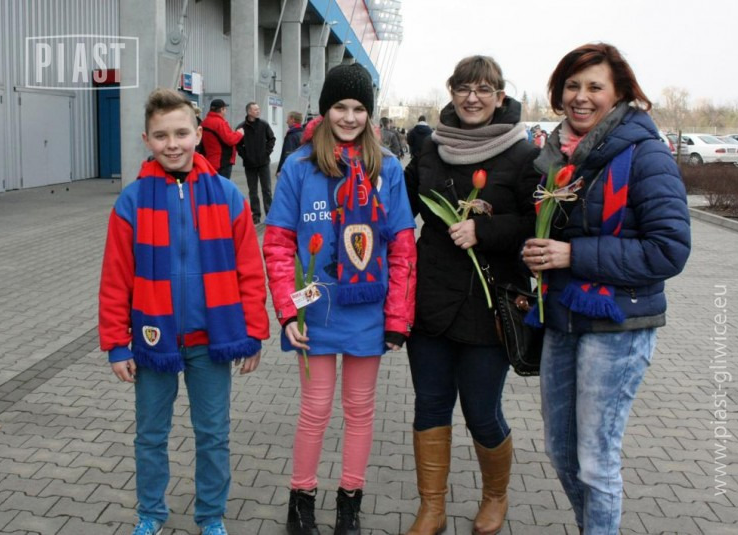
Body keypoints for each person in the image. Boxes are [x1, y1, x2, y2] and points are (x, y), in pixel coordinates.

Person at [521, 43, 691, 535]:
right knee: (561, 451)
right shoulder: (558, 157)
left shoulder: (645, 154)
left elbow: (668, 250)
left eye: (595, 86)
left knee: (596, 460)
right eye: (572, 85)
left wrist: (572, 255)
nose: (581, 96)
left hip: (618, 324)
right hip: (563, 317)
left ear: (618, 94)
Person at [98, 88, 270, 535]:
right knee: (150, 435)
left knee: (213, 435)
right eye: (161, 136)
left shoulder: (227, 196)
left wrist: (253, 332)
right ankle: (151, 513)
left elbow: (250, 271)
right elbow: (116, 278)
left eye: (180, 133)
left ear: (198, 134)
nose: (172, 144)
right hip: (152, 342)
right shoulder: (132, 201)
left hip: (211, 342)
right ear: (147, 139)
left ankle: (211, 516)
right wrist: (116, 344)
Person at [262, 62, 417, 535]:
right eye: (340, 107)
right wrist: (287, 310)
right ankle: (301, 500)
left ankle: (350, 502)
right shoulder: (299, 166)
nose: (349, 117)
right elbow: (278, 244)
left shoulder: (387, 169)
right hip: (315, 313)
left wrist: (398, 317)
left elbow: (403, 248)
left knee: (360, 410)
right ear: (325, 110)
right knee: (314, 410)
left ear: (369, 113)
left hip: (368, 312)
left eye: (358, 109)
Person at [403, 55, 541, 535]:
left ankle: (495, 496)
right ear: (452, 92)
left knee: (482, 412)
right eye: (463, 88)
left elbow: (537, 223)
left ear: (500, 97)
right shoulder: (430, 149)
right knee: (430, 406)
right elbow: (398, 211)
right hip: (431, 302)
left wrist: (485, 230)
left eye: (483, 89)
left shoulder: (523, 155)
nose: (472, 98)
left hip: (491, 305)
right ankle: (432, 507)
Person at [236, 102, 276, 225]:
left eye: (258, 109)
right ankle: (256, 215)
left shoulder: (264, 124)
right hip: (249, 164)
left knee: (267, 190)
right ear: (249, 112)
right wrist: (245, 156)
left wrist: (266, 153)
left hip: (263, 163)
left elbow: (272, 139)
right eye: (255, 109)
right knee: (253, 191)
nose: (258, 111)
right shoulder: (241, 127)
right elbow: (237, 144)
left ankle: (270, 214)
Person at [200, 99, 244, 179]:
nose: (226, 111)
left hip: (209, 159)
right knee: (223, 185)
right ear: (222, 109)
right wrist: (239, 133)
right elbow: (230, 140)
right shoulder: (219, 123)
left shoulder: (205, 122)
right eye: (225, 109)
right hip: (222, 162)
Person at [277, 110, 304, 176]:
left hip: (291, 172)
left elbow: (288, 155)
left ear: (292, 119)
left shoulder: (292, 135)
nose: (286, 121)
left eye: (288, 119)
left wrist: (282, 170)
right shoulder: (303, 133)